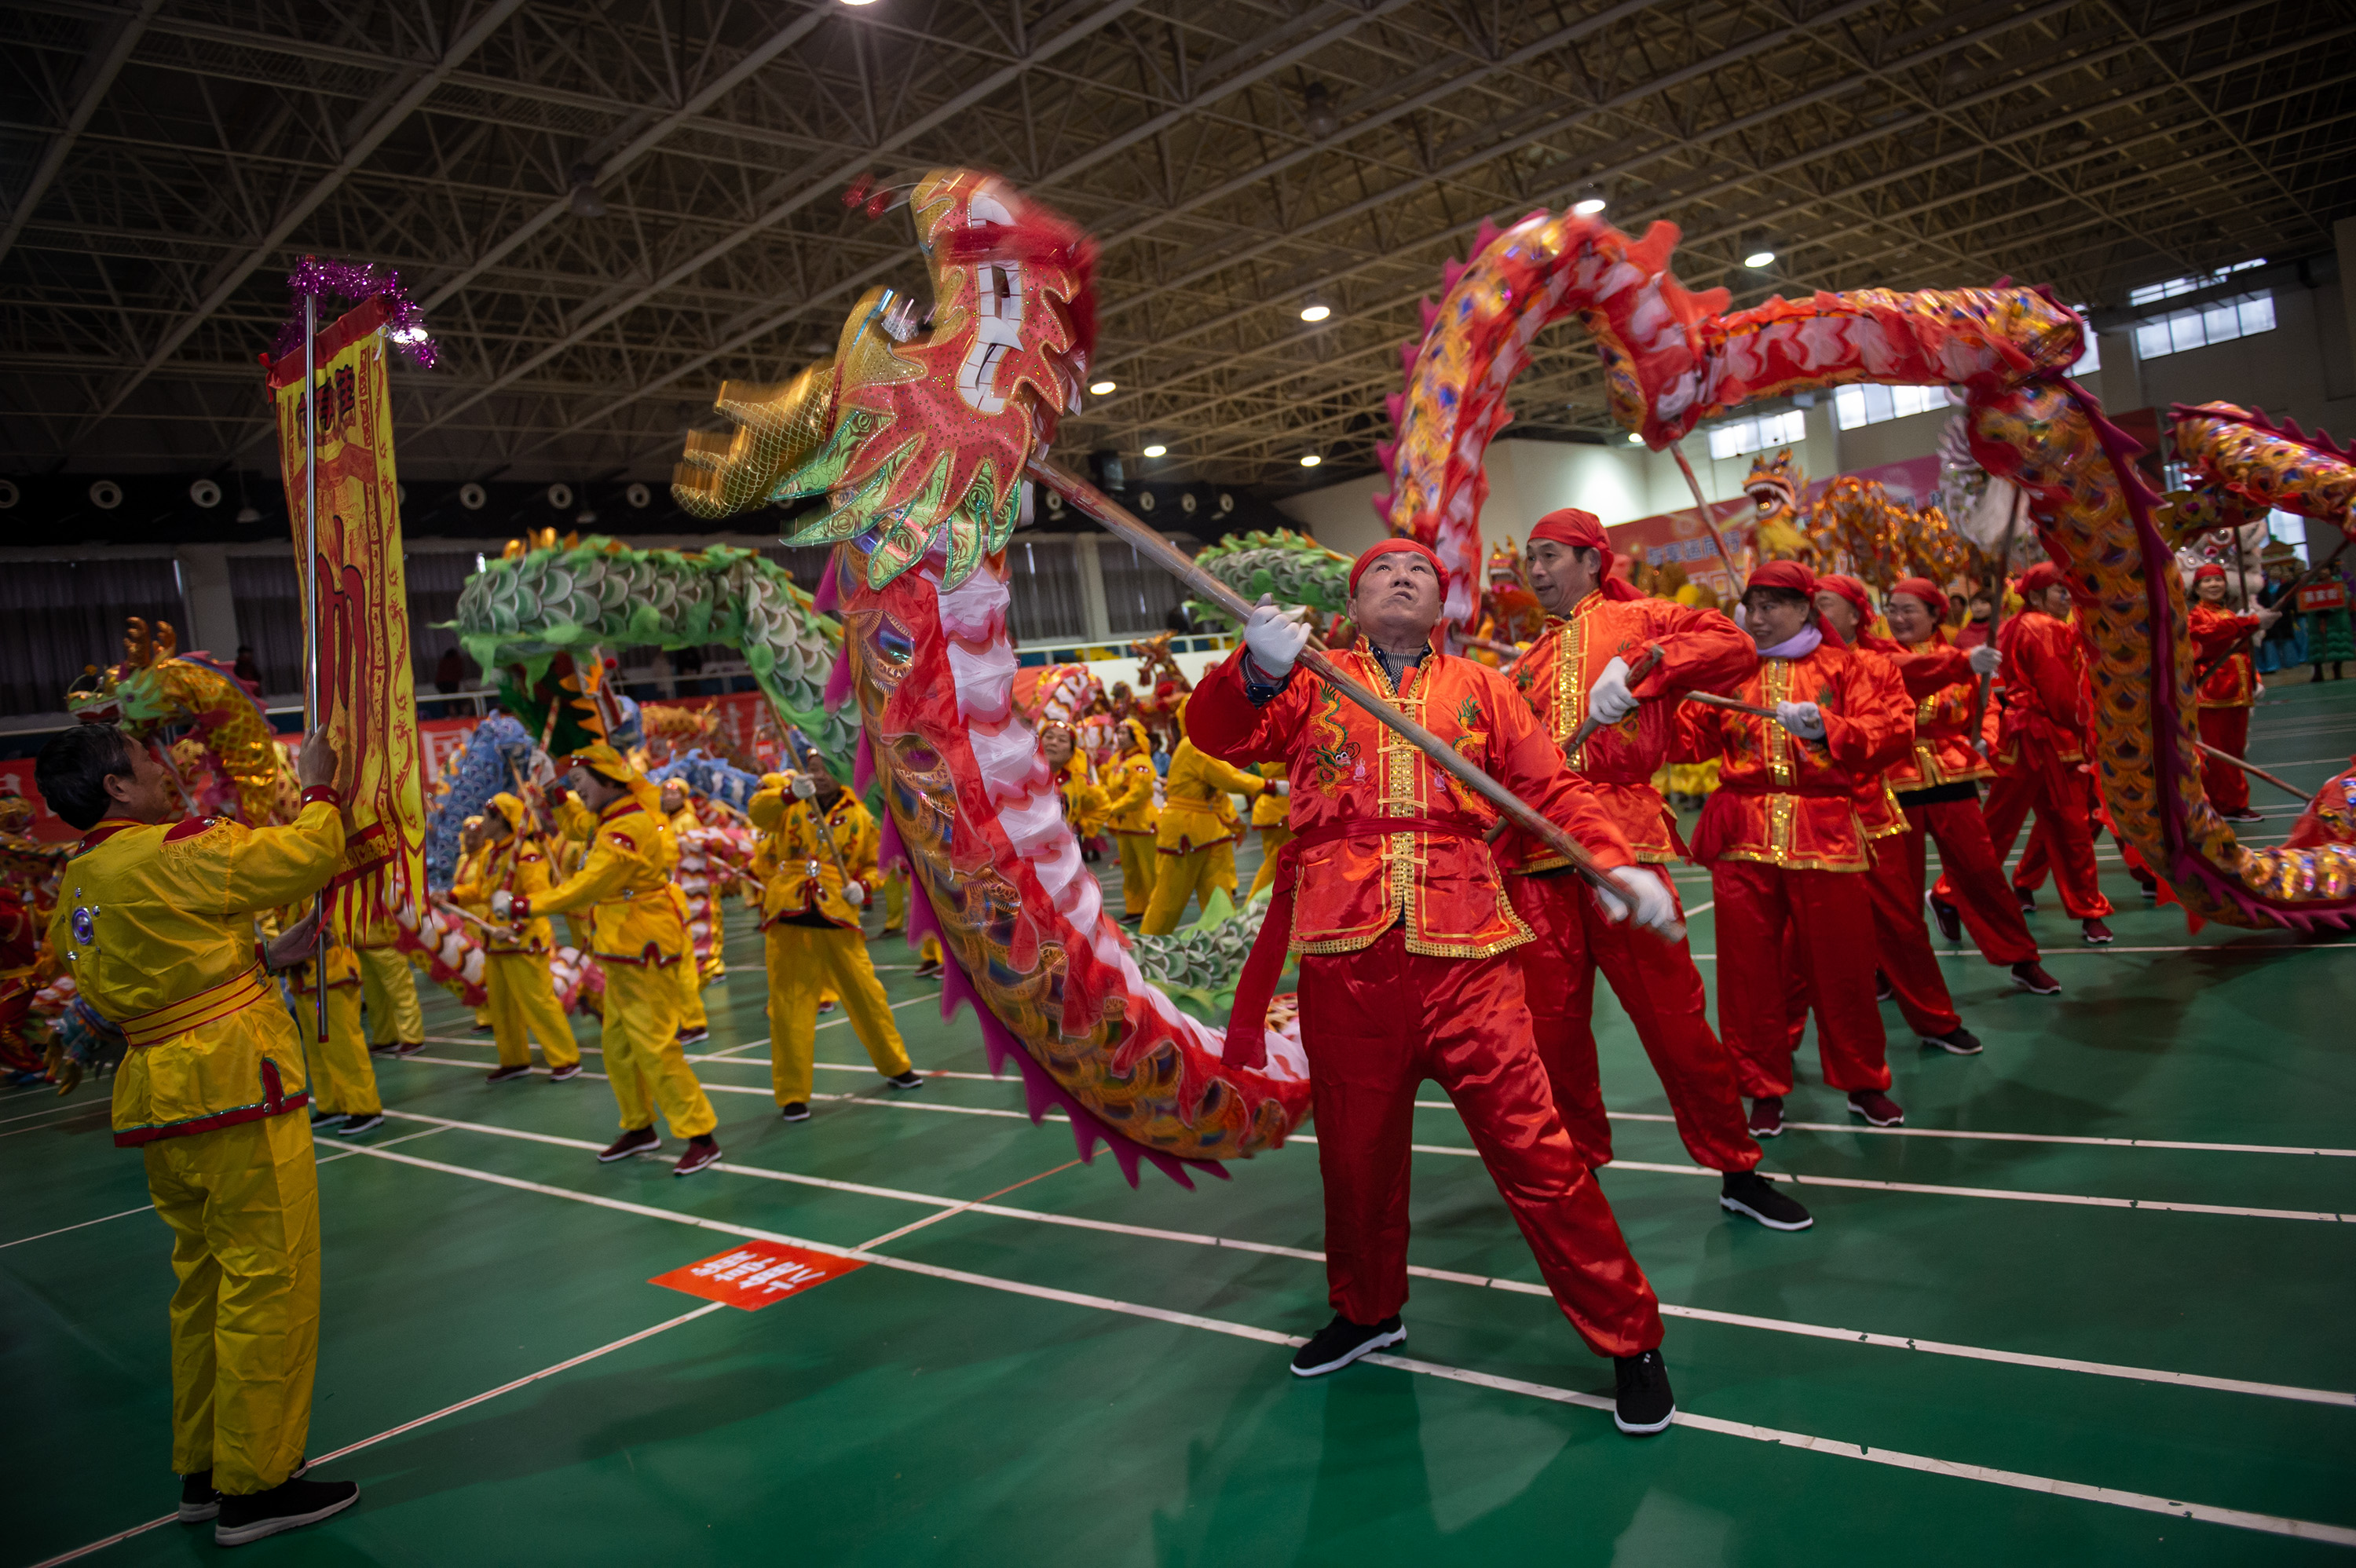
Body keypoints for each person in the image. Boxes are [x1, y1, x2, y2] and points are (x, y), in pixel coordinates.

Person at [1191, 537, 1682, 1436]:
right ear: (1354, 597)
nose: (1403, 575)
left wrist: (1617, 863)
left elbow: (1554, 791)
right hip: (1345, 956)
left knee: (1541, 1152)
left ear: (1443, 603)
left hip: (1472, 957)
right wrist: (1251, 673)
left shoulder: (1488, 689)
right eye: (1382, 569)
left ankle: (1629, 1335)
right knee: (1356, 1156)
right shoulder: (1310, 676)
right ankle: (1367, 1309)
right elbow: (1219, 734)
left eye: (1420, 569)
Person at [36, 721, 363, 1544]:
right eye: (148, 759)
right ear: (115, 785)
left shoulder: (81, 879)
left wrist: (263, 955)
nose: (166, 766)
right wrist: (319, 784)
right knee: (269, 1281)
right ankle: (257, 1484)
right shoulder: (176, 848)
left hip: (162, 1098)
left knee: (203, 1287)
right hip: (231, 1087)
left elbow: (152, 969)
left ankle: (206, 1469)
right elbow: (306, 854)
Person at [1498, 508, 1809, 1231]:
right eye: (1530, 560)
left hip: (1624, 841)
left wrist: (1646, 669)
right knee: (1552, 1032)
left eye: (1550, 556)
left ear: (1591, 559)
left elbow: (1731, 642)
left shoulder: (1641, 621)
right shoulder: (1525, 664)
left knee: (1676, 1021)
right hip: (1537, 854)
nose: (1536, 571)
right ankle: (1577, 1170)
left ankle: (1736, 1164)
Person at [1675, 560, 1911, 1135]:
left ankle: (1862, 1080)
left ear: (1806, 608)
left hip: (1825, 830)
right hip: (1742, 836)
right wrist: (1645, 701)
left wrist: (1827, 728)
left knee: (1844, 967)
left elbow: (1892, 732)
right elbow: (1688, 737)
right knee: (1748, 974)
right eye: (1751, 606)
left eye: (1771, 606)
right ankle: (1760, 1085)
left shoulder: (1849, 668)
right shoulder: (1731, 673)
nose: (1757, 618)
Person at [503, 743, 722, 1175]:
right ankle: (640, 1126)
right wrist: (552, 791)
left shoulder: (629, 827)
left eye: (581, 784)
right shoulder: (612, 819)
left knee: (655, 1044)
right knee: (618, 1046)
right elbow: (578, 823)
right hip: (621, 947)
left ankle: (701, 1134)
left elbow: (588, 884)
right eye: (574, 785)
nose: (578, 791)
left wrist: (525, 905)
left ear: (607, 781)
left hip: (642, 946)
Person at [1812, 575, 2005, 1054]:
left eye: (1823, 604)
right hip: (1805, 819)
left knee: (1952, 884)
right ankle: (1775, 1057)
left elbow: (1908, 683)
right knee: (1805, 937)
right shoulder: (1786, 664)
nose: (1812, 613)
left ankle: (1961, 998)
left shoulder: (1875, 661)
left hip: (1890, 794)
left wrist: (1984, 727)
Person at [1879, 578, 2060, 996]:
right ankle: (1888, 968)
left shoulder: (1966, 658)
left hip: (1953, 776)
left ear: (1934, 616)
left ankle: (2020, 957)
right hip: (1894, 780)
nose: (1898, 618)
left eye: (1909, 610)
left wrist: (1985, 740)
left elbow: (1990, 708)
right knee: (1896, 887)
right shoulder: (1879, 658)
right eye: (1892, 609)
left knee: (1982, 873)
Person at [749, 756, 921, 1123]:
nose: (818, 776)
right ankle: (793, 1094)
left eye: (825, 769)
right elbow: (757, 815)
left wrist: (864, 885)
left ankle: (896, 1065)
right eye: (812, 769)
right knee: (788, 1006)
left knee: (867, 995)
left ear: (839, 774)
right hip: (789, 913)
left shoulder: (861, 816)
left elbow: (880, 862)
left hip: (838, 913)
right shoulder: (791, 802)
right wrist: (785, 794)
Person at [1977, 562, 2116, 944]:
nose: (2068, 598)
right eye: (2060, 591)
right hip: (2046, 740)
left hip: (2031, 742)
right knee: (2071, 829)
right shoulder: (2044, 628)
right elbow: (2060, 694)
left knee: (2012, 827)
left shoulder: (2028, 625)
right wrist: (2090, 724)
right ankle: (2088, 911)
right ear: (2036, 597)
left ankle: (1956, 894)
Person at [452, 791, 582, 1082]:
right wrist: (451, 895)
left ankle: (566, 1059)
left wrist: (515, 927)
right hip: (494, 941)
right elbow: (480, 892)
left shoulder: (526, 855)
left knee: (538, 1001)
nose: (482, 821)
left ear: (500, 821)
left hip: (522, 940)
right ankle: (514, 1059)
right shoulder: (490, 854)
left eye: (487, 816)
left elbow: (539, 898)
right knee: (501, 1005)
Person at [1140, 696, 1270, 934]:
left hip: (1209, 831)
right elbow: (1229, 778)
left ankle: (1227, 942)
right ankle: (1145, 949)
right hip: (1185, 833)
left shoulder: (1206, 745)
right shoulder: (1194, 746)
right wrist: (1270, 787)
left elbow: (1220, 789)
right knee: (1169, 899)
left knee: (1217, 894)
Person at [2188, 563, 2280, 824]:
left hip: (2238, 694)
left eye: (2218, 580)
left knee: (2236, 752)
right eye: (2207, 582)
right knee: (2219, 755)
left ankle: (2231, 803)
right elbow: (2206, 636)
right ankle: (2228, 805)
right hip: (2213, 696)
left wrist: (2255, 681)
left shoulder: (2228, 614)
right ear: (2196, 589)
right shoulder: (2196, 616)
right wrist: (2250, 622)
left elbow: (2244, 653)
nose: (2214, 585)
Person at [659, 777, 715, 1044]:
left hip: (685, 897)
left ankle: (693, 1021)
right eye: (664, 793)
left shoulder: (687, 822)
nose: (668, 798)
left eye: (673, 793)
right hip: (667, 897)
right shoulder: (664, 821)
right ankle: (685, 1019)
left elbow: (689, 862)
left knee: (685, 960)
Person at [1100, 716, 1161, 920]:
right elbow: (1108, 784)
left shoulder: (1142, 762)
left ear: (1136, 737)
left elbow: (1138, 795)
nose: (1120, 737)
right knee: (1130, 870)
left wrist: (1111, 809)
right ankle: (1136, 908)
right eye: (1119, 733)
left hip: (1142, 823)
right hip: (1124, 824)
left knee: (1150, 869)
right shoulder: (1116, 759)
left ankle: (1158, 909)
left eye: (1125, 733)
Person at [352, 916, 424, 1058]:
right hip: (360, 943)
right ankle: (385, 1038)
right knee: (374, 998)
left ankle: (412, 1037)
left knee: (401, 992)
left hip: (387, 941)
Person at [1246, 758, 1291, 899]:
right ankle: (1253, 907)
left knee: (1280, 863)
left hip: (1277, 804)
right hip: (1286, 803)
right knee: (1278, 864)